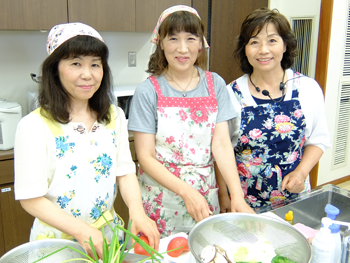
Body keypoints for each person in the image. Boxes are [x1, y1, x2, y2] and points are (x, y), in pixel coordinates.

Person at [14, 22, 159, 259]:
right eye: (75, 63)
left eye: (95, 64)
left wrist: (137, 211)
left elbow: (124, 172)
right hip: (58, 244)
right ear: (55, 70)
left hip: (108, 237)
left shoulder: (114, 117)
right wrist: (82, 231)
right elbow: (30, 198)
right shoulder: (33, 125)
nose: (87, 74)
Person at [128, 5, 254, 238]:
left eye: (191, 38)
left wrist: (235, 195)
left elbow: (222, 145)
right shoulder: (148, 91)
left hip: (206, 196)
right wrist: (186, 192)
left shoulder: (215, 84)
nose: (182, 48)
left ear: (201, 43)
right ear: (161, 43)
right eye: (173, 38)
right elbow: (145, 158)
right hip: (161, 200)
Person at [225, 8, 331, 210]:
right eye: (254, 42)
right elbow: (222, 151)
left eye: (272, 40)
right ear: (245, 49)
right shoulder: (231, 94)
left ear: (285, 45)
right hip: (244, 204)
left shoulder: (307, 88)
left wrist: (301, 173)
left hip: (295, 200)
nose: (263, 50)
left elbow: (318, 139)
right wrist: (225, 198)